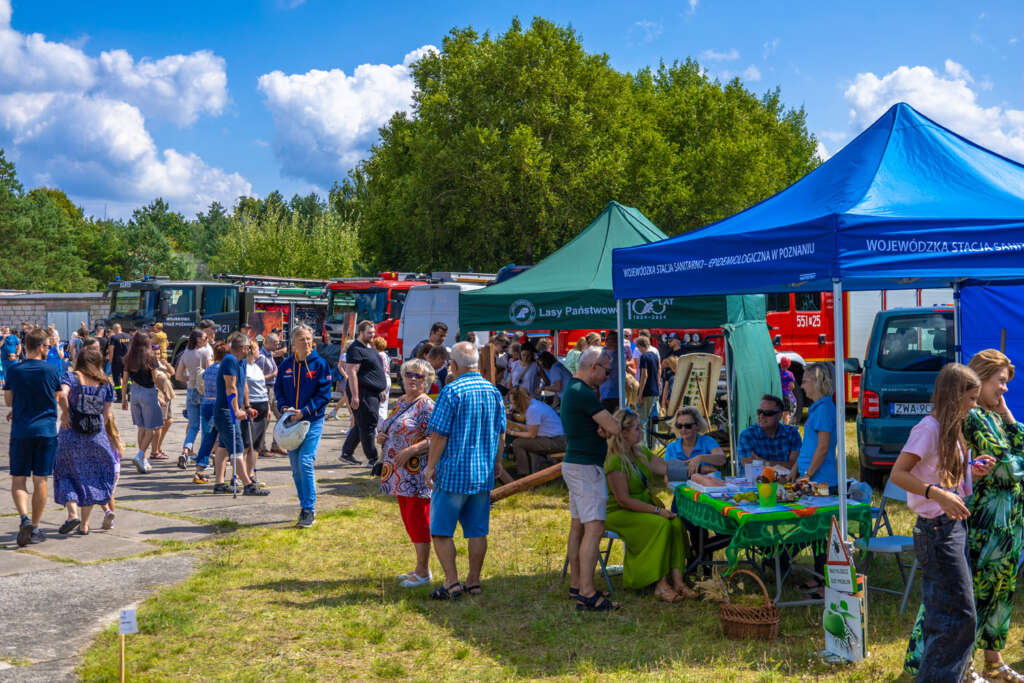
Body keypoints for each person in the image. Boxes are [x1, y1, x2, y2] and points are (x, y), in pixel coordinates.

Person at [896, 364, 995, 682]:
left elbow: (943, 477)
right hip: (936, 532)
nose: (974, 406)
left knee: (955, 615)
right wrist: (936, 494)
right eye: (971, 398)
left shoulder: (950, 430)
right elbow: (900, 474)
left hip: (950, 529)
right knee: (956, 617)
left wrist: (971, 471)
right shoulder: (928, 428)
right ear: (954, 396)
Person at [423, 342, 505, 600]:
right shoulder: (493, 391)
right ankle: (474, 581)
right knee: (477, 531)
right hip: (482, 473)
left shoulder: (451, 391)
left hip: (453, 473)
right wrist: (498, 461)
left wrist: (430, 466)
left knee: (441, 531)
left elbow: (439, 435)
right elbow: (502, 432)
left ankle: (451, 582)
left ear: (454, 365)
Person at [964, 350, 1024, 679]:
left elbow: (1020, 452)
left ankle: (994, 661)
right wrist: (1017, 460)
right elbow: (1007, 468)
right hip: (988, 522)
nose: (1004, 389)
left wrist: (1008, 414)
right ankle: (966, 664)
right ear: (981, 378)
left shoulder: (997, 417)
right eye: (999, 382)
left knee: (1002, 593)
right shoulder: (972, 416)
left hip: (1010, 522)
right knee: (979, 592)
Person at [605, 408, 697, 602]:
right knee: (660, 524)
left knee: (676, 523)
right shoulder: (615, 460)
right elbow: (624, 500)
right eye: (637, 428)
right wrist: (657, 511)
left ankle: (678, 582)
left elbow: (666, 468)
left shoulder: (639, 452)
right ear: (623, 433)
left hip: (641, 506)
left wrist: (697, 468)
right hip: (618, 512)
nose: (641, 431)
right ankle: (660, 584)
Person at [561, 346, 621, 611]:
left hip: (576, 463)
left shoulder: (573, 390)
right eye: (606, 371)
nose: (608, 376)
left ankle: (577, 585)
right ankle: (587, 591)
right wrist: (606, 429)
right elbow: (615, 426)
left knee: (579, 527)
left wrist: (603, 428)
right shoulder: (584, 393)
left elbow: (605, 427)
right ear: (594, 366)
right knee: (594, 528)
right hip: (586, 468)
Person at [378, 357, 435, 586]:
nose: (412, 379)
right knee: (409, 521)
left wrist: (412, 450)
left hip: (415, 474)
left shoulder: (427, 406)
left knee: (419, 521)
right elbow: (390, 426)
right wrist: (381, 436)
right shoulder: (401, 402)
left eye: (418, 376)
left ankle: (423, 572)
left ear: (427, 381)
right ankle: (419, 568)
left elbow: (436, 438)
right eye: (408, 374)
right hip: (397, 475)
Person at [4, 327, 61, 546]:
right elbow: (55, 396)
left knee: (19, 478)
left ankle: (24, 518)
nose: (48, 349)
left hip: (21, 431)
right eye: (47, 346)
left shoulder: (14, 371)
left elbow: (9, 401)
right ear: (39, 347)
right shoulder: (51, 369)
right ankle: (35, 527)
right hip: (46, 430)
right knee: (41, 480)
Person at [53, 346, 117, 536]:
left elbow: (62, 394)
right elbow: (107, 415)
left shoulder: (70, 377)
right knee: (91, 477)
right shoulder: (106, 383)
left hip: (70, 433)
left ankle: (73, 514)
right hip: (96, 436)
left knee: (66, 474)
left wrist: (65, 413)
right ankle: (85, 525)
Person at [275, 323, 331, 526]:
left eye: (309, 338)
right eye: (302, 339)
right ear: (293, 344)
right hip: (291, 423)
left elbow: (324, 395)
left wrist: (305, 412)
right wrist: (284, 408)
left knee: (305, 462)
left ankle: (309, 509)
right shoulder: (286, 365)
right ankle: (304, 505)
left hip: (312, 420)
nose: (307, 342)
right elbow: (278, 390)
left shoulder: (320, 364)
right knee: (296, 467)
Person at [793, 364, 839, 598]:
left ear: (818, 382)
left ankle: (825, 584)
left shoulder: (823, 409)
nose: (802, 386)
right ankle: (819, 576)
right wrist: (797, 469)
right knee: (819, 532)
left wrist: (807, 474)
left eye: (806, 381)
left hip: (821, 481)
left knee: (823, 530)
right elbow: (811, 446)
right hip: (815, 478)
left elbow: (822, 448)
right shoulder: (819, 408)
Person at [211, 332, 269, 497]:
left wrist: (248, 406)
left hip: (231, 410)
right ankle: (248, 485)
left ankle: (219, 483)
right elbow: (231, 387)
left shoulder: (241, 361)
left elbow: (243, 385)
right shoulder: (229, 360)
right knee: (237, 447)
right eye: (249, 347)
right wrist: (236, 410)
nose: (251, 350)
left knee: (223, 445)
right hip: (225, 411)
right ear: (243, 348)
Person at [340, 321, 388, 470]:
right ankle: (373, 458)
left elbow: (374, 370)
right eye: (369, 333)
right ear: (360, 332)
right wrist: (355, 396)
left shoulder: (370, 348)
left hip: (372, 392)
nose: (372, 335)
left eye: (373, 333)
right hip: (362, 393)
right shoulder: (355, 349)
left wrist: (380, 388)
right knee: (368, 425)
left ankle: (346, 453)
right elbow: (352, 372)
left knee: (361, 423)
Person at [121, 332, 162, 474]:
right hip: (148, 392)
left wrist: (123, 399)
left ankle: (143, 458)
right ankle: (139, 456)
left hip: (135, 393)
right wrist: (161, 393)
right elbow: (156, 379)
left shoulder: (128, 358)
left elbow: (124, 380)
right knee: (152, 429)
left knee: (141, 428)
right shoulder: (150, 357)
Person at [507, 386, 566, 475]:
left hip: (557, 441)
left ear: (519, 401)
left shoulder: (532, 410)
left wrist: (511, 432)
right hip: (558, 439)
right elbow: (532, 428)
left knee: (518, 443)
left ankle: (524, 475)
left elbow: (531, 435)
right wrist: (514, 426)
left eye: (513, 402)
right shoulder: (535, 404)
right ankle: (528, 470)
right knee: (522, 442)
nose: (512, 405)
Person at [192, 342, 228, 485]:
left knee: (208, 438)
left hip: (206, 404)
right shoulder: (224, 370)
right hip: (218, 405)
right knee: (224, 440)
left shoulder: (209, 369)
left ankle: (199, 470)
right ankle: (222, 471)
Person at [175, 329, 212, 468]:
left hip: (191, 391)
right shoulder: (205, 352)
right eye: (205, 338)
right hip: (204, 392)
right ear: (198, 339)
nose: (207, 340)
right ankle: (203, 460)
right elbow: (209, 373)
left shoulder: (186, 353)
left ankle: (185, 452)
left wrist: (190, 378)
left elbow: (178, 376)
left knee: (193, 426)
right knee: (206, 427)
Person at [736, 395, 802, 472]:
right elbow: (750, 468)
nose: (761, 416)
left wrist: (763, 462)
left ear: (780, 415)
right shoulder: (747, 435)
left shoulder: (792, 434)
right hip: (755, 483)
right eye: (759, 412)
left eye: (767, 413)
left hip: (786, 483)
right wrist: (781, 466)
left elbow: (795, 466)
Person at [663, 405, 727, 477]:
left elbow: (722, 459)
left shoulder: (707, 441)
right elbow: (667, 474)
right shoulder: (671, 447)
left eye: (688, 426)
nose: (683, 429)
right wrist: (703, 469)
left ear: (697, 425)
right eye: (679, 426)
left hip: (705, 487)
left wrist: (701, 458)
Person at [241, 339, 270, 487]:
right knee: (247, 442)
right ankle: (241, 475)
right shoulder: (244, 366)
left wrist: (269, 408)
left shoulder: (257, 367)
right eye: (258, 348)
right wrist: (246, 407)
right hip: (251, 406)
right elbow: (244, 387)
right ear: (251, 350)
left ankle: (251, 473)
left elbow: (264, 389)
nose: (260, 351)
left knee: (257, 443)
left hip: (263, 405)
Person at [252, 336, 278, 457]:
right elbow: (258, 377)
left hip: (273, 389)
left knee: (281, 417)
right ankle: (261, 447)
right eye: (275, 343)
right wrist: (272, 374)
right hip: (265, 389)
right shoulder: (261, 357)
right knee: (265, 419)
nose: (277, 346)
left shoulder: (270, 354)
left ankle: (276, 445)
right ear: (267, 343)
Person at [150, 347, 176, 461]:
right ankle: (154, 451)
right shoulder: (151, 365)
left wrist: (167, 364)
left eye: (158, 353)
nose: (157, 355)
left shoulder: (161, 363)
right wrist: (158, 396)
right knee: (160, 424)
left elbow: (173, 372)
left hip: (168, 395)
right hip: (160, 395)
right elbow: (153, 382)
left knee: (169, 421)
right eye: (155, 353)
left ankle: (159, 446)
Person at [635, 336, 660, 443]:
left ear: (640, 346)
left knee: (642, 421)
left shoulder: (644, 357)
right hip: (655, 391)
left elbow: (644, 375)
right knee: (654, 420)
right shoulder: (655, 355)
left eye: (638, 347)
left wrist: (640, 393)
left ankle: (643, 446)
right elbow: (659, 370)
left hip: (647, 391)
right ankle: (655, 444)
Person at [107, 323, 132, 401]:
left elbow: (111, 350)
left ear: (114, 329)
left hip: (117, 361)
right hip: (127, 360)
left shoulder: (114, 337)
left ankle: (120, 397)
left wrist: (111, 361)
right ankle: (130, 393)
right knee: (128, 377)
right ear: (121, 328)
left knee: (117, 378)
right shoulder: (129, 336)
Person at [598, 330, 621, 413]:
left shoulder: (620, 353)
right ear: (607, 340)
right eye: (610, 339)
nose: (611, 342)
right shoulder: (600, 353)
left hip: (618, 392)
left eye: (614, 340)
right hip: (605, 392)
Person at [778, 357, 798, 425]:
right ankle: (785, 427)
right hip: (786, 395)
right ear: (788, 365)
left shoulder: (777, 372)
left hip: (778, 394)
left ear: (781, 364)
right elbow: (792, 386)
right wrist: (790, 391)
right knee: (786, 413)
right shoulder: (790, 374)